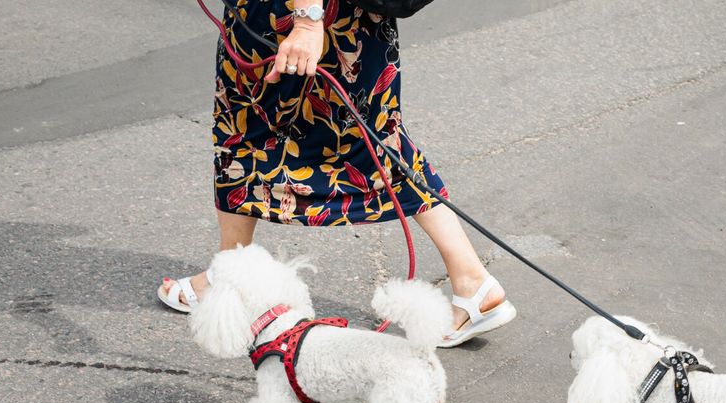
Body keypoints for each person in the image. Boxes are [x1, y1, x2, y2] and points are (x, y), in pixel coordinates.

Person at [159, 0, 516, 347]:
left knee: (245, 133)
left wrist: (308, 20)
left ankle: (228, 277)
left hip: (300, 16)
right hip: (345, 17)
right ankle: (472, 281)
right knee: (374, 143)